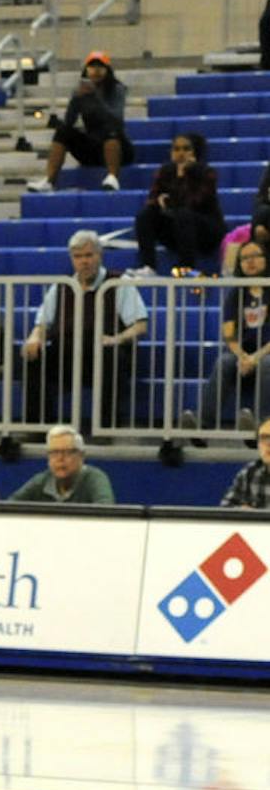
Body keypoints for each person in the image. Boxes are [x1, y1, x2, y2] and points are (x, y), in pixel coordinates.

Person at [22, 229, 148, 428]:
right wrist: (34, 337)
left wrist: (117, 338)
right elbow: (42, 323)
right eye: (78, 256)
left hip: (102, 350)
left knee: (112, 357)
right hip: (67, 353)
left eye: (89, 255)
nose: (84, 261)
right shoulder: (62, 286)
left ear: (100, 255)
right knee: (33, 358)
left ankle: (107, 427)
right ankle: (36, 426)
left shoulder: (118, 283)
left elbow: (140, 325)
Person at [185, 240, 269, 431]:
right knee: (224, 362)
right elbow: (229, 333)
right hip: (244, 354)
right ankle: (202, 423)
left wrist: (256, 357)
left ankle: (262, 425)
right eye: (245, 258)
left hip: (266, 353)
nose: (250, 261)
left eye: (255, 256)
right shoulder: (236, 293)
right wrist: (242, 357)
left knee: (267, 363)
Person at [27, 51, 133, 192]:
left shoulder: (117, 89)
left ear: (107, 71)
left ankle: (113, 177)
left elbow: (116, 118)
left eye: (100, 67)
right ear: (86, 71)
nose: (96, 71)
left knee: (111, 130)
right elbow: (69, 121)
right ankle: (49, 181)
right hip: (93, 148)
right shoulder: (81, 91)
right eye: (92, 67)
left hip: (118, 148)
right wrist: (76, 99)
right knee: (63, 131)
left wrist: (95, 96)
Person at [129, 133, 225, 276]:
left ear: (195, 152)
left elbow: (194, 203)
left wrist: (184, 176)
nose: (181, 153)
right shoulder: (164, 172)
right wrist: (160, 202)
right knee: (145, 215)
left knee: (183, 214)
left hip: (206, 232)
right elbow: (154, 199)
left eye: (186, 149)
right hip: (177, 228)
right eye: (176, 149)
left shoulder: (206, 173)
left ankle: (186, 268)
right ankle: (148, 266)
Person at [9, 425, 115, 503]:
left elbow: (105, 513)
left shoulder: (95, 479)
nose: (60, 458)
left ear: (81, 456)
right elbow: (10, 507)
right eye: (54, 453)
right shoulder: (42, 481)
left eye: (67, 452)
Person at [220, 417, 270, 508]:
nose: (268, 444)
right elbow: (226, 508)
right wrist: (242, 511)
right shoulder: (250, 473)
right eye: (263, 438)